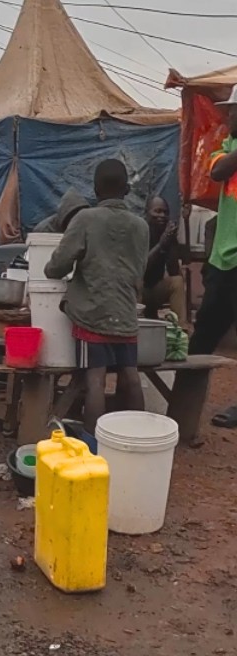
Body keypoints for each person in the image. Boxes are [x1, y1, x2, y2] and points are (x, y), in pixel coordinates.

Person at [44, 159, 149, 430]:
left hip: (92, 314)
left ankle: (93, 445)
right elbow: (139, 271)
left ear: (95, 190)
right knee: (131, 376)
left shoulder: (85, 219)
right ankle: (138, 438)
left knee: (95, 382)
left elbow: (57, 267)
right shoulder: (141, 226)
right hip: (125, 314)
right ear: (127, 189)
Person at [191, 87, 237, 428]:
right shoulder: (224, 150)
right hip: (224, 259)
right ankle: (183, 393)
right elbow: (218, 172)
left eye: (233, 112)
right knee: (204, 332)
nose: (227, 117)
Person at [141, 197, 187, 321]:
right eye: (157, 211)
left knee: (177, 281)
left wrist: (170, 242)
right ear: (147, 212)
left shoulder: (167, 234)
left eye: (165, 212)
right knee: (136, 283)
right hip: (138, 291)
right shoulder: (140, 231)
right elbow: (141, 268)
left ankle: (182, 330)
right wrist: (161, 245)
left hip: (156, 289)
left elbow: (173, 271)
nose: (162, 215)